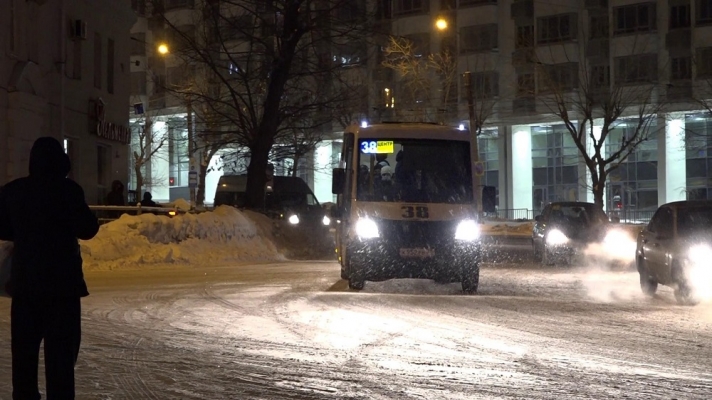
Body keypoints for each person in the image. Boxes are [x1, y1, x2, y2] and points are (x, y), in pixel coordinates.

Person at [0, 136, 100, 400]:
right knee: (61, 364)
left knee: (24, 361)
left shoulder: (13, 191)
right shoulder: (69, 191)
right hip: (62, 291)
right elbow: (88, 229)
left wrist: (22, 232)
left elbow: (1, 226)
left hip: (25, 289)